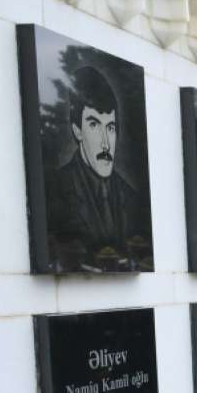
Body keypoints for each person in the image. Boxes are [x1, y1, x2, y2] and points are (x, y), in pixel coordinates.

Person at [50, 65, 145, 267]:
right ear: (77, 130)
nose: (105, 144)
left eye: (110, 128)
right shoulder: (56, 188)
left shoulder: (131, 196)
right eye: (94, 125)